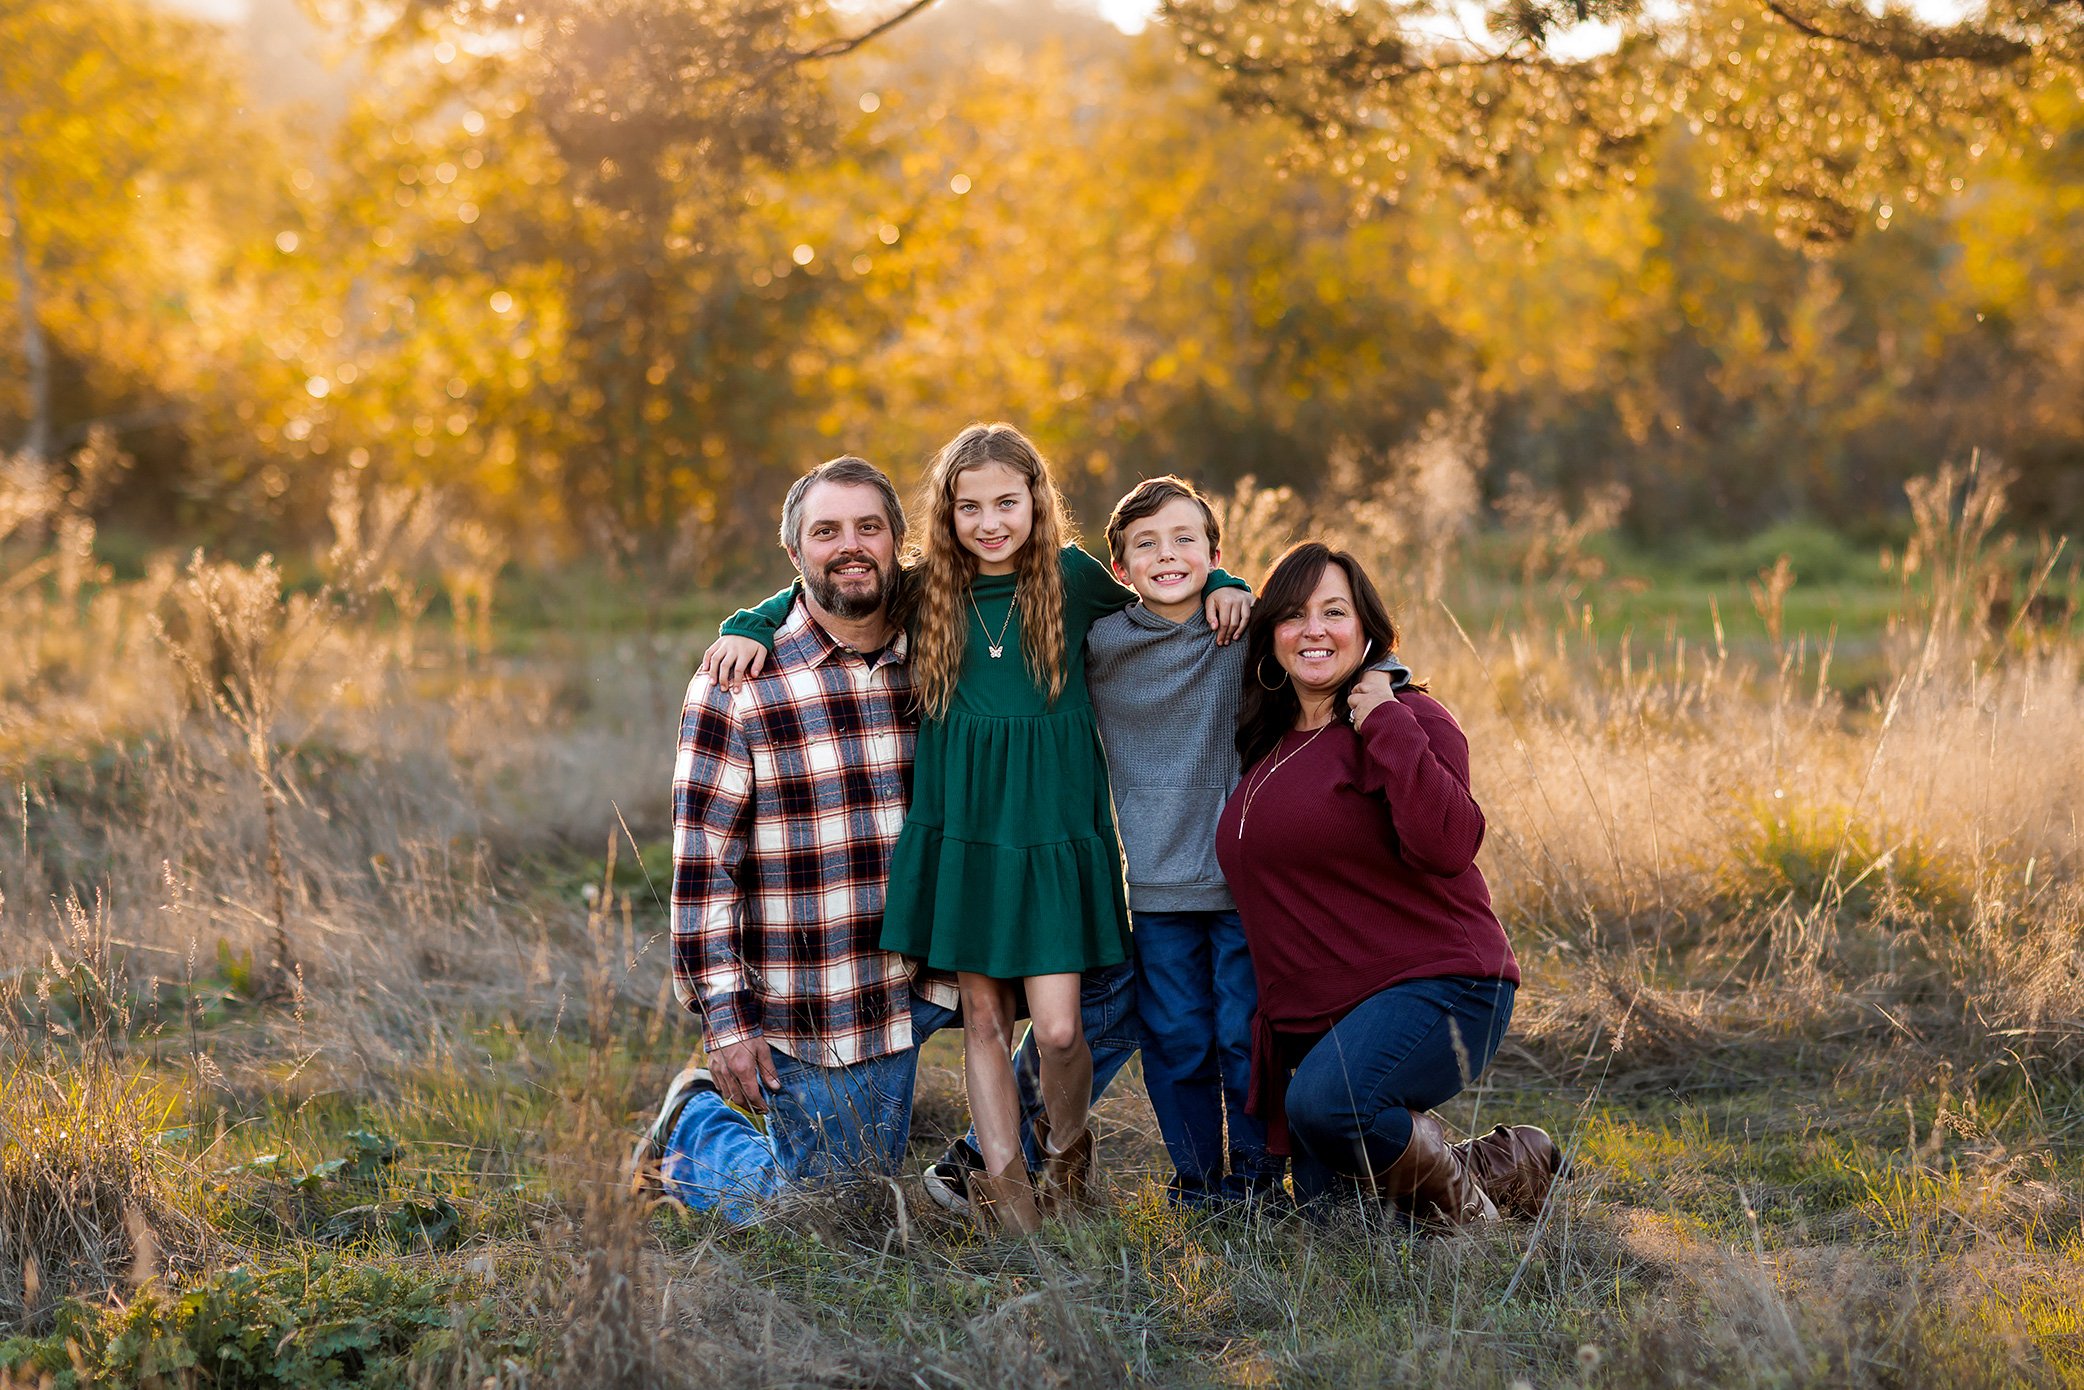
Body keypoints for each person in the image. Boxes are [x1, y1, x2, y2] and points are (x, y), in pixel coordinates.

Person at [707, 424, 1251, 1233]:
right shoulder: (925, 590)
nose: (990, 521)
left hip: (1055, 832)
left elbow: (1158, 586)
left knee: (1062, 1028)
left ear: (1037, 500)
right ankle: (1009, 1197)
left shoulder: (1071, 580)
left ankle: (1066, 1153)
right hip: (961, 831)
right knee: (987, 1023)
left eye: (1007, 501)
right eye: (970, 507)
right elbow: (828, 587)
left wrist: (1228, 581)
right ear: (947, 513)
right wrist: (747, 621)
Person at [632, 455, 959, 1223]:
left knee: (1106, 994)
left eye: (868, 527)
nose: (850, 545)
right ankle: (695, 1128)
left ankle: (980, 1168)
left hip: (939, 966)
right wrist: (726, 1021)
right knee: (833, 1216)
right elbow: (702, 868)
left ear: (898, 542)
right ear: (794, 553)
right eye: (826, 531)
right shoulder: (738, 682)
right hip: (822, 998)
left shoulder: (943, 652)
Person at [1213, 542, 1559, 1223]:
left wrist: (1382, 717)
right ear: (1271, 635)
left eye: (1334, 612)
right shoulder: (1271, 744)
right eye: (1293, 615)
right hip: (1322, 1017)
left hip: (1442, 981)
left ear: (1368, 630)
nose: (1314, 630)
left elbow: (1450, 845)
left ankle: (1475, 1219)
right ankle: (1504, 1165)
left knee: (1330, 1106)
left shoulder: (1410, 718)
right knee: (1340, 1216)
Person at [1087, 476, 1281, 1206]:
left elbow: (1332, 642)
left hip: (1242, 886)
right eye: (1147, 545)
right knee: (1177, 1041)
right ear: (1120, 570)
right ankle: (1199, 1181)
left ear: (1214, 551)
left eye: (1185, 541)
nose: (1167, 556)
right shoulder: (1101, 643)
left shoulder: (1246, 628)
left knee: (1244, 1034)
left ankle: (1260, 1179)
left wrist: (1235, 588)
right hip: (1159, 887)